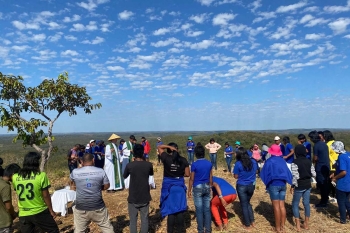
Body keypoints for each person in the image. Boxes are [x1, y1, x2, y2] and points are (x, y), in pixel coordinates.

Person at [12, 152, 59, 233]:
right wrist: (51, 210)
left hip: (23, 213)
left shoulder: (15, 177)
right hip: (39, 210)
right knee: (53, 230)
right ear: (36, 163)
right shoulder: (41, 175)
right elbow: (46, 195)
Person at [70, 153, 113, 233]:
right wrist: (97, 188)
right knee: (107, 228)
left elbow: (72, 183)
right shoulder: (101, 171)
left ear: (82, 161)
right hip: (98, 206)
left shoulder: (75, 172)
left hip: (81, 207)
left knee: (79, 230)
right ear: (93, 160)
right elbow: (107, 186)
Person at [158, 143, 190, 233]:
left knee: (171, 212)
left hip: (169, 188)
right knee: (180, 211)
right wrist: (179, 175)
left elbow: (159, 147)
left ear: (169, 150)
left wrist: (168, 147)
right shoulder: (183, 160)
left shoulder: (166, 158)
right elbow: (187, 174)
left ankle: (170, 231)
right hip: (179, 187)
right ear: (177, 149)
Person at [260, 144, 292, 233]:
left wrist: (267, 183)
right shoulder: (282, 161)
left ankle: (277, 228)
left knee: (276, 207)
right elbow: (287, 172)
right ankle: (283, 227)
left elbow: (263, 173)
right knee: (282, 206)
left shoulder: (269, 161)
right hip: (283, 184)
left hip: (273, 184)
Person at [123, 144, 154, 233]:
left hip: (133, 196)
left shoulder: (130, 165)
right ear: (143, 152)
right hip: (145, 195)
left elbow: (124, 176)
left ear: (134, 153)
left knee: (133, 221)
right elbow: (151, 174)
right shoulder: (148, 165)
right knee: (144, 220)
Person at [290, 145, 316, 231]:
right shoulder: (309, 161)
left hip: (299, 185)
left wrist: (292, 186)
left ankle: (297, 224)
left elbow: (295, 176)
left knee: (295, 204)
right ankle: (306, 223)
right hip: (308, 185)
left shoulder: (295, 162)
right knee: (306, 203)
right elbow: (314, 174)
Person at [188, 144, 212, 233]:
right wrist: (211, 186)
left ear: (195, 154)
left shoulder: (194, 164)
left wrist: (189, 190)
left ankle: (200, 230)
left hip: (197, 187)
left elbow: (192, 178)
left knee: (199, 210)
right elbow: (211, 176)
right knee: (207, 209)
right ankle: (208, 230)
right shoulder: (209, 163)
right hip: (206, 186)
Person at [233, 147, 258, 230]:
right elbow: (256, 171)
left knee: (244, 205)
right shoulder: (253, 162)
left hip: (242, 185)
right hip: (251, 185)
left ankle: (247, 224)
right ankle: (252, 221)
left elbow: (236, 176)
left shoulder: (238, 163)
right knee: (248, 203)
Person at [308, 130, 330, 208]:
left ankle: (323, 202)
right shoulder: (324, 144)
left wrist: (313, 162)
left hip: (320, 167)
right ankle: (325, 199)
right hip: (326, 166)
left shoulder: (316, 145)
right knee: (325, 184)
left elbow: (315, 158)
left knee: (321, 185)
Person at [330, 141, 350, 224]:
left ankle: (343, 219)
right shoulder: (348, 154)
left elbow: (343, 172)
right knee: (346, 201)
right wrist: (334, 172)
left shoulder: (341, 157)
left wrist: (335, 178)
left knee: (341, 202)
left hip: (343, 183)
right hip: (349, 182)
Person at [0, 163, 20, 233]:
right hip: (3, 223)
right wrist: (13, 214)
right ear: (13, 174)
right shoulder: (5, 186)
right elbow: (8, 207)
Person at [324, 130, 338, 203]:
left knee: (332, 182)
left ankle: (333, 196)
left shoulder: (328, 145)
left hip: (331, 165)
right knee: (336, 181)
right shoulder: (336, 143)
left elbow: (328, 156)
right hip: (338, 165)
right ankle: (335, 196)